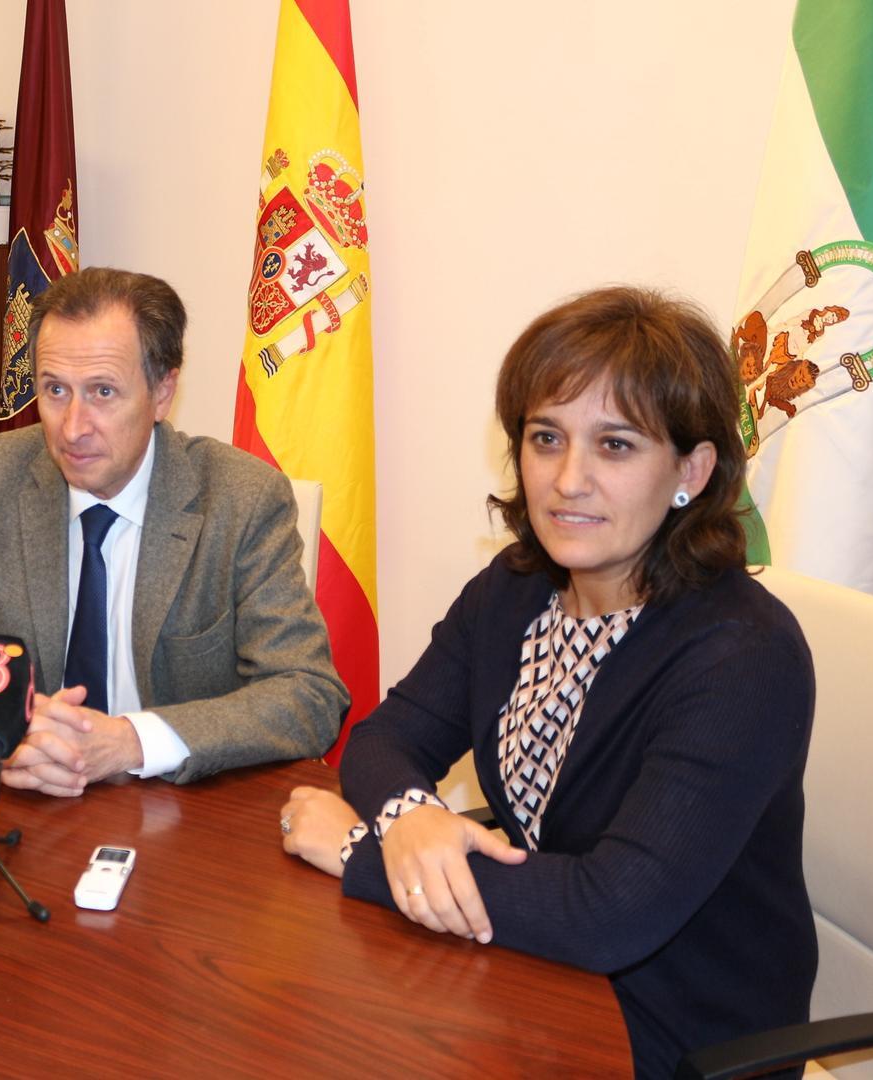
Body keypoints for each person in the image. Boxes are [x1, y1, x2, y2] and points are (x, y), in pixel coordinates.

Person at [278, 286, 816, 1077]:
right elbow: (386, 738)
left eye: (615, 445)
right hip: (531, 969)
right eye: (546, 438)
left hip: (674, 1031)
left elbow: (610, 913)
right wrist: (409, 816)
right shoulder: (516, 589)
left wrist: (365, 853)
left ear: (692, 470)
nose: (568, 480)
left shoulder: (743, 657)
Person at [0, 267, 348, 794]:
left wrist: (132, 741)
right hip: (28, 798)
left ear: (162, 392)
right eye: (55, 390)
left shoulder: (242, 499)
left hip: (178, 809)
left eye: (103, 392)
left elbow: (307, 692)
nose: (72, 427)